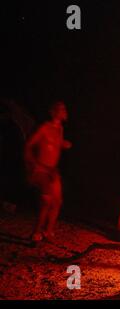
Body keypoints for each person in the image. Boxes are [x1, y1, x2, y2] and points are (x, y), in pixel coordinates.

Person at [24, 101, 72, 242]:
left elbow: (53, 146)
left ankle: (48, 231)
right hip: (41, 169)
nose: (65, 111)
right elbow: (29, 145)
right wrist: (32, 164)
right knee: (46, 201)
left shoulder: (60, 129)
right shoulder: (45, 127)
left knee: (57, 201)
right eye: (62, 109)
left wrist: (63, 144)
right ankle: (36, 232)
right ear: (55, 112)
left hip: (52, 170)